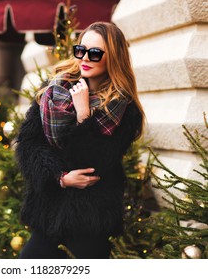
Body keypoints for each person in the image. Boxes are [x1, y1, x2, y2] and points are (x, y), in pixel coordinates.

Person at [15, 21, 145, 259]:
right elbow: (28, 144)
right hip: (50, 209)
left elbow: (97, 160)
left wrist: (84, 114)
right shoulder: (53, 90)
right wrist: (61, 178)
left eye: (94, 53)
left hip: (90, 217)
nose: (85, 58)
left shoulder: (124, 108)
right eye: (81, 50)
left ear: (113, 58)